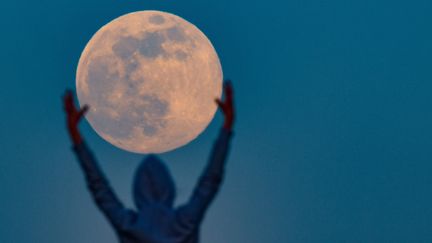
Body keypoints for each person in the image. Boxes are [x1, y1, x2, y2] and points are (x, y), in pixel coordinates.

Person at [63, 81, 235, 243]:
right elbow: (211, 180)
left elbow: (98, 186)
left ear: (137, 191)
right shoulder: (185, 222)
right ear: (169, 188)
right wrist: (227, 126)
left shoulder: (128, 225)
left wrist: (75, 134)